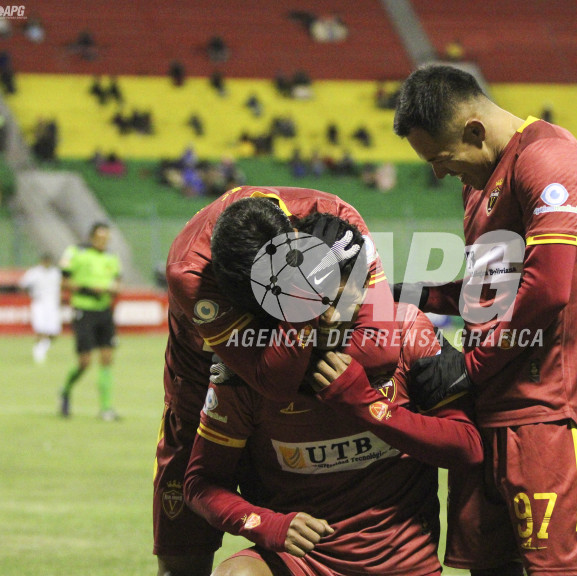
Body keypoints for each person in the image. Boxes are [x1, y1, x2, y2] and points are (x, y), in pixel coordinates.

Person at [392, 64, 577, 576]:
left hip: (545, 410)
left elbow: (548, 289)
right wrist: (396, 293)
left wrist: (473, 366)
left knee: (549, 569)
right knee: (487, 566)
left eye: (441, 158)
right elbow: (482, 295)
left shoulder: (548, 159)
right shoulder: (478, 184)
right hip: (484, 410)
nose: (439, 174)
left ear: (473, 129)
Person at [185, 213, 495, 576]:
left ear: (366, 282)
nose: (330, 318)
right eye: (315, 303)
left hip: (402, 563)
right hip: (299, 562)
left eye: (340, 300)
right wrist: (267, 525)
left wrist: (367, 406)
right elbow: (201, 483)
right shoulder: (249, 364)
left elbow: (468, 446)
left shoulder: (408, 330)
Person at [154, 187, 398, 576]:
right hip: (202, 396)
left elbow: (381, 349)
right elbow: (273, 379)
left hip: (292, 400)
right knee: (181, 561)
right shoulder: (192, 269)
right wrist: (304, 295)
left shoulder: (336, 221)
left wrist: (298, 294)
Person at [59, 222, 121, 420]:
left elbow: (118, 283)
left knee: (106, 359)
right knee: (85, 362)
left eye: (106, 239)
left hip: (104, 311)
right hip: (84, 311)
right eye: (100, 238)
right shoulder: (75, 253)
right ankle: (65, 390)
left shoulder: (112, 258)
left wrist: (112, 289)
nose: (104, 242)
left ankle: (106, 408)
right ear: (92, 237)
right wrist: (88, 289)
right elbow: (64, 281)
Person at [19, 253, 62, 363]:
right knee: (41, 329)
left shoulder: (56, 273)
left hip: (53, 304)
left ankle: (41, 348)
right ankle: (38, 352)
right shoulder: (34, 272)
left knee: (54, 332)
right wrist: (32, 293)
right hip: (40, 303)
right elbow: (22, 284)